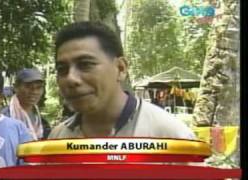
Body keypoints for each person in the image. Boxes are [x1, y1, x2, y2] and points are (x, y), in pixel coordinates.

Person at [48, 21, 196, 139]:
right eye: (62, 69)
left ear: (120, 68)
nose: (71, 79)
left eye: (85, 64)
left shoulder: (169, 136)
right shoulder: (57, 139)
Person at [1, 68, 51, 140]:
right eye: (28, 87)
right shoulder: (3, 118)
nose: (34, 92)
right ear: (16, 87)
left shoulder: (42, 122)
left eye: (39, 87)